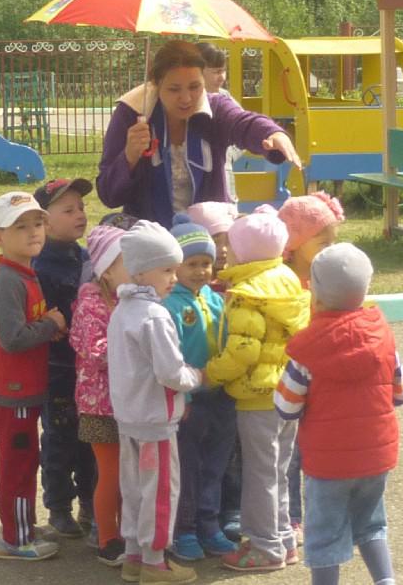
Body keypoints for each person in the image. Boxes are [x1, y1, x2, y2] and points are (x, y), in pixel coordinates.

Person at [274, 243, 403, 585]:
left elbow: (287, 406)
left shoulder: (308, 350)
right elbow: (400, 393)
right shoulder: (383, 336)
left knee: (324, 534)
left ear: (314, 294)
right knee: (372, 523)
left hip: (328, 463)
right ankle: (385, 580)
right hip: (376, 456)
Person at [96, 40, 301, 228]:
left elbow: (244, 122)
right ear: (156, 85)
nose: (186, 98)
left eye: (194, 87)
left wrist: (273, 133)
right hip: (153, 242)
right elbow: (108, 195)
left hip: (209, 239)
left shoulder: (216, 107)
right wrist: (130, 157)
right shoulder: (131, 114)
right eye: (174, 89)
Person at [205, 208, 310, 572]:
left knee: (259, 474)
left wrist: (211, 374)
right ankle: (282, 537)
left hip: (256, 395)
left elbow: (244, 351)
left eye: (232, 247)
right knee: (278, 470)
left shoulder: (246, 294)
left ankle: (264, 546)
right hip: (287, 392)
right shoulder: (287, 282)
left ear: (244, 252)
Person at [108, 220, 203, 585]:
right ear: (141, 272)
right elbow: (170, 372)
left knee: (133, 490)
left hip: (128, 418)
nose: (173, 278)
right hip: (155, 422)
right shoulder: (155, 315)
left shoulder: (122, 310)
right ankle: (154, 562)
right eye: (166, 270)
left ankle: (134, 555)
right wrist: (195, 377)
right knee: (161, 492)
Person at [0, 191, 67, 562]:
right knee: (18, 465)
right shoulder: (9, 280)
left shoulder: (23, 272)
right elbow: (13, 338)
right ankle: (15, 539)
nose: (33, 232)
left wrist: (46, 326)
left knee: (26, 460)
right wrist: (49, 325)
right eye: (20, 227)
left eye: (37, 223)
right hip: (13, 389)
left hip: (24, 386)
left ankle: (23, 525)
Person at [162, 217, 237, 561]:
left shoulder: (215, 298)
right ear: (175, 266)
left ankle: (210, 525)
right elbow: (171, 358)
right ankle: (185, 530)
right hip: (190, 401)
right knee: (187, 469)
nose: (200, 271)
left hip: (220, 396)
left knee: (215, 466)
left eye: (205, 263)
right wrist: (185, 396)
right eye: (191, 264)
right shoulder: (170, 304)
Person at [277, 190, 347, 543]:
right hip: (291, 378)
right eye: (322, 242)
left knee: (321, 450)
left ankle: (325, 512)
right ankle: (292, 516)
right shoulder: (283, 283)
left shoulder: (331, 281)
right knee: (291, 452)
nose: (330, 249)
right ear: (295, 242)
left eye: (333, 241)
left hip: (323, 381)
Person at [33, 178, 97, 539]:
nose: (80, 215)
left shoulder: (86, 258)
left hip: (89, 370)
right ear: (45, 220)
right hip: (58, 369)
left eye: (82, 208)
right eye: (68, 210)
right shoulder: (39, 267)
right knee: (59, 439)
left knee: (91, 439)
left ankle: (90, 501)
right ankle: (58, 508)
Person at [70, 223, 131, 567]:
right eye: (128, 262)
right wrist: (136, 348)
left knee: (125, 472)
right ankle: (108, 537)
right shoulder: (91, 304)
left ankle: (123, 532)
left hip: (125, 401)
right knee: (111, 473)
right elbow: (95, 351)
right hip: (99, 405)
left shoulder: (126, 299)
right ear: (106, 270)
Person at [196, 42, 241, 204]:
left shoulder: (225, 98)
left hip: (222, 179)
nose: (221, 77)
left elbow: (241, 130)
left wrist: (227, 153)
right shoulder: (186, 100)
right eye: (216, 72)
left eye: (223, 71)